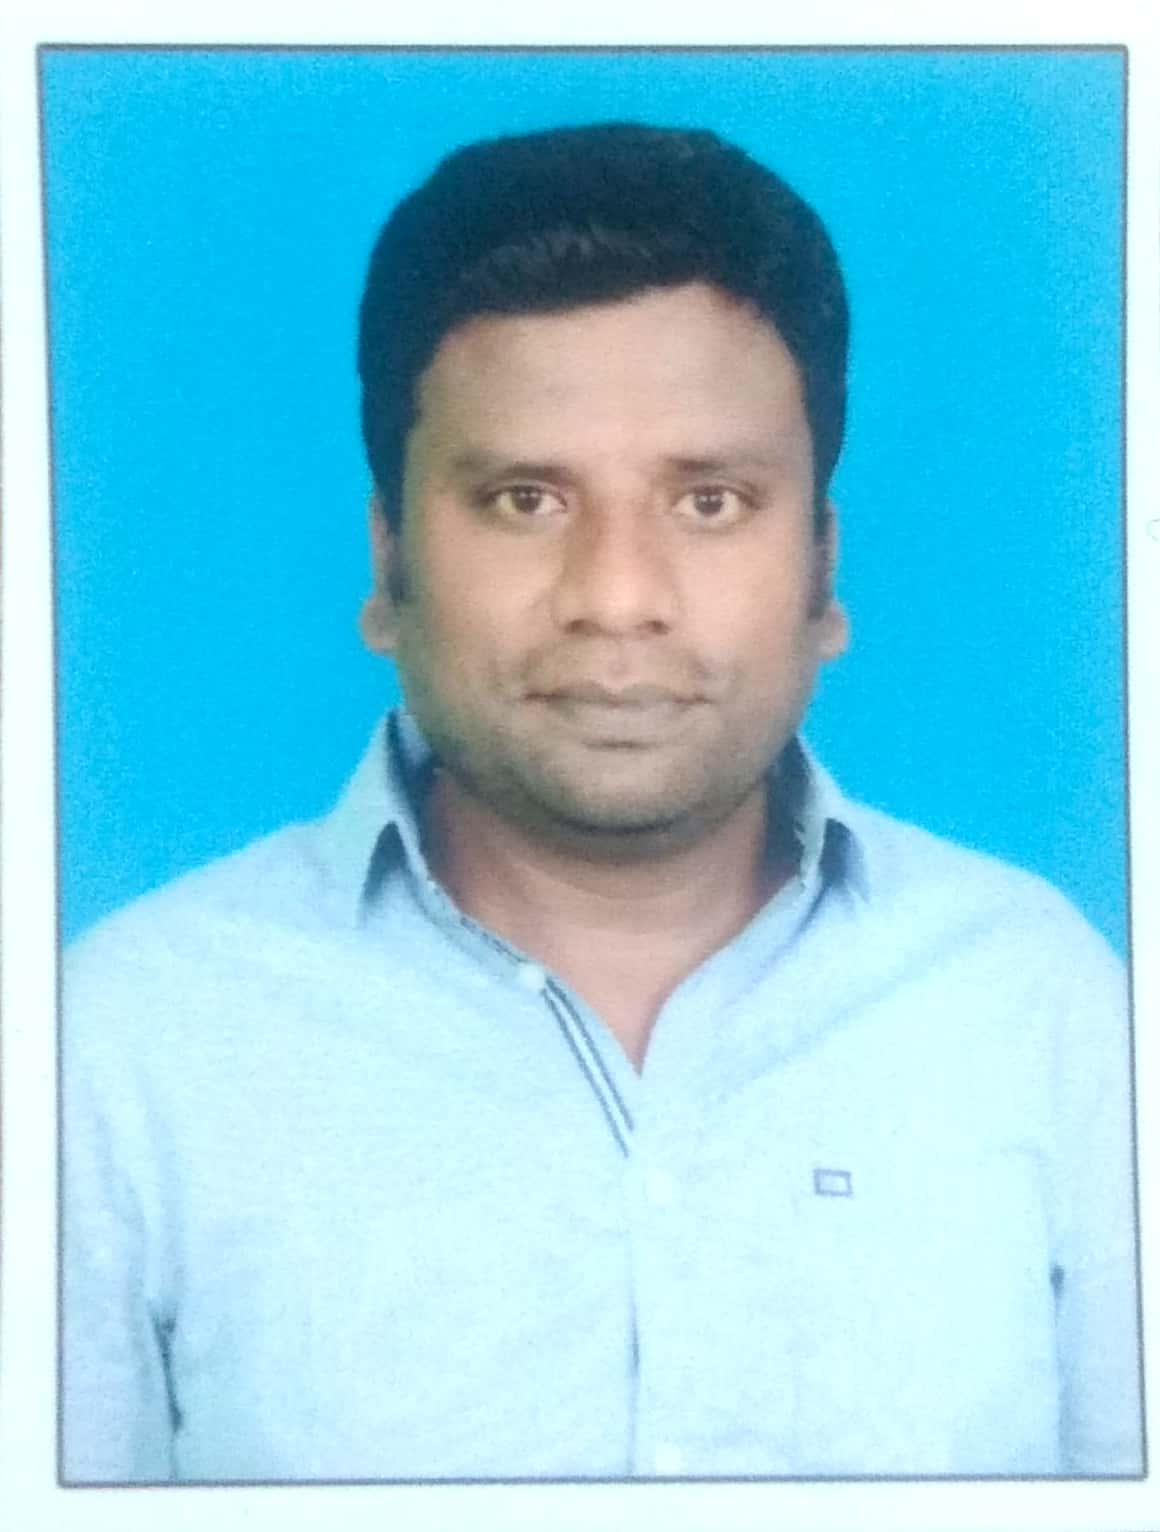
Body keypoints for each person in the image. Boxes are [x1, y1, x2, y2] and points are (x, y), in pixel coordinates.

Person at [62, 122, 1141, 1483]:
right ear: (389, 562)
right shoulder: (125, 1044)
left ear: (823, 569)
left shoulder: (1043, 1009)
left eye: (711, 501)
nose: (618, 597)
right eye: (525, 499)